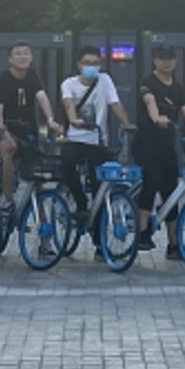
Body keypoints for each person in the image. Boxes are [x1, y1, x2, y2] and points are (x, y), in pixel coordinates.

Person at [135, 44, 185, 258]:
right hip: (146, 143)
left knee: (171, 190)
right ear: (154, 61)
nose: (166, 62)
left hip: (166, 145)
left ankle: (174, 245)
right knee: (152, 180)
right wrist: (156, 118)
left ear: (175, 61)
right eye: (162, 58)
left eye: (170, 58)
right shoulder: (147, 82)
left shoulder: (177, 88)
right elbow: (149, 101)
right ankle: (142, 234)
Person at [59, 46, 133, 247]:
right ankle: (80, 203)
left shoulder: (105, 80)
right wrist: (73, 119)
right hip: (74, 139)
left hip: (97, 141)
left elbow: (115, 104)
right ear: (78, 65)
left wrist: (127, 124)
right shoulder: (69, 84)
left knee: (100, 187)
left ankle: (99, 241)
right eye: (87, 63)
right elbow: (68, 103)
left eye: (95, 63)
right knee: (67, 164)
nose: (91, 67)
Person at [0, 40, 60, 213]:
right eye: (18, 53)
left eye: (26, 53)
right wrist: (3, 132)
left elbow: (42, 97)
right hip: (7, 128)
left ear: (31, 58)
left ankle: (41, 215)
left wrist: (50, 120)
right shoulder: (3, 80)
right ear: (10, 59)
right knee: (8, 150)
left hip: (28, 130)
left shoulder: (33, 76)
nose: (22, 57)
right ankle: (7, 199)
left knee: (36, 171)